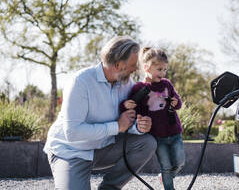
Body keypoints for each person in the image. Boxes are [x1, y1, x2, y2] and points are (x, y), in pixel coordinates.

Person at [43, 36, 157, 190]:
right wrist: (117, 127)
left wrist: (138, 126)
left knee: (147, 143)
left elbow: (126, 121)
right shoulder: (80, 82)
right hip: (71, 152)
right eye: (132, 65)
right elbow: (73, 133)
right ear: (117, 65)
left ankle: (109, 188)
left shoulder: (127, 84)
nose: (135, 69)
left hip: (104, 147)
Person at [120, 47, 185, 190]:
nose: (163, 73)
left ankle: (164, 177)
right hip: (157, 136)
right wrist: (125, 105)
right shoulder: (139, 88)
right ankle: (168, 186)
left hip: (174, 132)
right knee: (166, 165)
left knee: (180, 162)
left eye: (165, 70)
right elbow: (130, 108)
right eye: (159, 69)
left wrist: (176, 102)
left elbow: (178, 102)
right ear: (147, 68)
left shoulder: (167, 84)